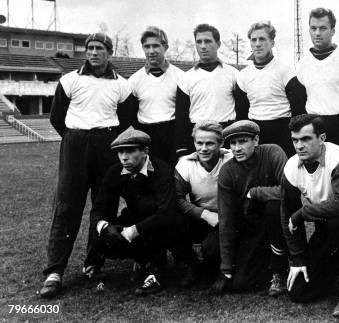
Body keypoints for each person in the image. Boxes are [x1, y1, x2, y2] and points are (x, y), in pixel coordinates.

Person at [40, 32, 132, 298]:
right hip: (76, 142)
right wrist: (75, 139)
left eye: (99, 48)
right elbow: (57, 117)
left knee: (103, 206)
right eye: (90, 48)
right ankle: (55, 271)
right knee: (67, 206)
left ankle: (93, 263)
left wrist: (105, 141)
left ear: (109, 52)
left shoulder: (121, 85)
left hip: (107, 144)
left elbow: (125, 120)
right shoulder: (70, 80)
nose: (93, 53)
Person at [280, 114, 339, 317]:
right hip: (326, 227)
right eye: (295, 140)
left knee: (337, 222)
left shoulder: (338, 158)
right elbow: (287, 211)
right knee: (298, 291)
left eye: (306, 139)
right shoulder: (291, 166)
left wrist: (304, 212)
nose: (299, 146)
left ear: (322, 138)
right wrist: (298, 257)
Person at [88, 127, 181, 295]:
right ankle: (99, 264)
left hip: (161, 225)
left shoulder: (161, 170)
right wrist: (105, 227)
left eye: (130, 151)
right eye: (120, 152)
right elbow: (98, 209)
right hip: (134, 221)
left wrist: (133, 231)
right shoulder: (115, 171)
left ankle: (156, 271)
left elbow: (166, 212)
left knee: (149, 207)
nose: (124, 157)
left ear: (145, 151)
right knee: (105, 239)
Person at [211, 120, 289, 296]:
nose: (237, 148)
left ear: (256, 140)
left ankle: (279, 271)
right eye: (233, 143)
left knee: (273, 206)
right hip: (251, 229)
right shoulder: (227, 171)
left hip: (278, 224)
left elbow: (288, 191)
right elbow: (226, 219)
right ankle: (265, 263)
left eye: (243, 141)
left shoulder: (272, 152)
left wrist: (255, 192)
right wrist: (226, 269)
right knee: (240, 283)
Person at [173, 120, 232, 286]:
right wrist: (204, 214)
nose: (203, 148)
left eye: (210, 143)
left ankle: (217, 266)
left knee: (212, 250)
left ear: (220, 143)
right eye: (199, 143)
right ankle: (192, 265)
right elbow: (176, 198)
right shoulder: (185, 164)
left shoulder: (230, 159)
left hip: (226, 218)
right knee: (173, 222)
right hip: (200, 216)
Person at [296, 8, 339, 165]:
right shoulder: (302, 65)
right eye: (313, 28)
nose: (317, 33)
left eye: (323, 28)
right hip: (316, 126)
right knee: (320, 174)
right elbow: (300, 102)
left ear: (332, 31)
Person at [235, 21, 305, 156]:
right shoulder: (243, 75)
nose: (257, 44)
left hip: (282, 130)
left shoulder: (286, 71)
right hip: (256, 132)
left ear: (272, 42)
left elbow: (298, 108)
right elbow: (241, 113)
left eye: (262, 39)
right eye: (253, 40)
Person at [175, 23, 242, 157]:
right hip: (199, 136)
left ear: (218, 44)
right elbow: (181, 116)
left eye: (208, 41)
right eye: (199, 42)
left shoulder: (233, 74)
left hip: (227, 133)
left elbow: (241, 109)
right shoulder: (186, 77)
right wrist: (182, 147)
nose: (203, 46)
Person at [127, 26, 184, 167]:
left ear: (165, 47)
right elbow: (130, 116)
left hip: (171, 134)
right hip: (146, 135)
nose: (151, 51)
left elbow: (184, 113)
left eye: (156, 46)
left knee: (171, 180)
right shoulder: (134, 80)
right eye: (147, 46)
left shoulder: (181, 76)